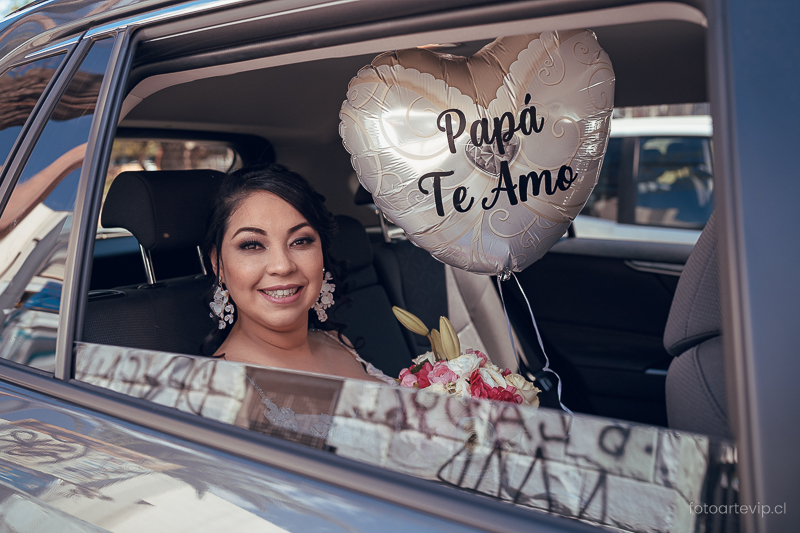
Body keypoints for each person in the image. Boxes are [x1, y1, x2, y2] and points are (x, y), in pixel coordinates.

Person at [202, 164, 394, 386]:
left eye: (300, 241)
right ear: (217, 263)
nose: (283, 266)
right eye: (252, 245)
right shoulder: (220, 388)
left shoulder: (337, 341)